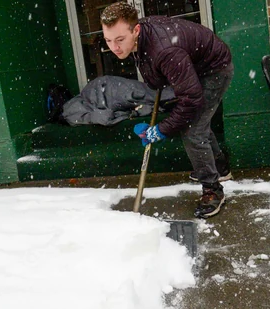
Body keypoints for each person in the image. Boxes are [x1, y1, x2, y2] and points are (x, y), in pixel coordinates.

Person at [100, 2, 234, 218]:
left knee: (193, 130)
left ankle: (213, 189)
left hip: (214, 69)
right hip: (194, 64)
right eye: (108, 40)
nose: (114, 48)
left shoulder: (165, 51)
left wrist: (161, 129)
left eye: (120, 40)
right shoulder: (142, 38)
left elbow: (191, 101)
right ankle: (219, 166)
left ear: (136, 30)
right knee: (199, 122)